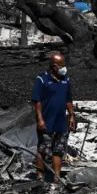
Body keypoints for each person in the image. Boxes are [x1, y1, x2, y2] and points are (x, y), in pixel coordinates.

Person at [31, 52, 76, 183]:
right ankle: (40, 175)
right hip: (46, 121)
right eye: (62, 65)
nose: (64, 68)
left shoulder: (65, 80)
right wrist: (40, 119)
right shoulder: (42, 79)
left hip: (60, 121)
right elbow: (37, 101)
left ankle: (57, 176)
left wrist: (72, 115)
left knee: (59, 149)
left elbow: (68, 99)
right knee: (43, 149)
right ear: (55, 66)